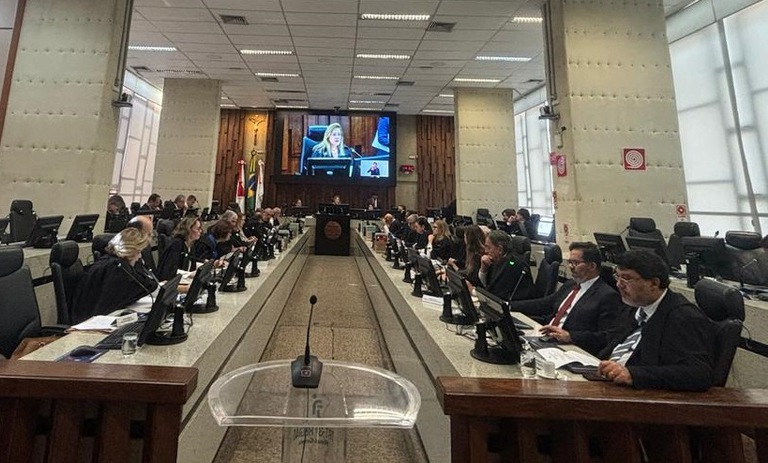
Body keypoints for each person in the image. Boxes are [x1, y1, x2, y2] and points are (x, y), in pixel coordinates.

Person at [597, 249, 715, 391]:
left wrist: (633, 374)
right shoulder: (635, 306)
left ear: (653, 283)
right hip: (607, 381)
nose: (619, 284)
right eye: (618, 277)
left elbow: (699, 374)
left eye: (627, 278)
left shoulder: (683, 316)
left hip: (643, 396)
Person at [513, 242, 623, 355]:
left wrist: (571, 336)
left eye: (575, 263)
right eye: (570, 262)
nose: (570, 267)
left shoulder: (607, 296)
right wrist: (509, 306)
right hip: (546, 338)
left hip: (571, 349)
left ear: (592, 266)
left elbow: (606, 337)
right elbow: (544, 304)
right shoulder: (570, 284)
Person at [71, 228, 159, 323]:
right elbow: (147, 286)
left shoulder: (111, 262)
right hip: (90, 323)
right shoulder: (117, 268)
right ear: (130, 250)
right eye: (138, 252)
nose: (140, 257)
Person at [478, 230, 534, 301]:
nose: (485, 251)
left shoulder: (513, 264)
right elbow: (486, 284)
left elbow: (496, 294)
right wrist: (483, 270)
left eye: (488, 247)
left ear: (500, 249)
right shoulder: (497, 259)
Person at [156, 216, 203, 281]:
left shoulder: (191, 245)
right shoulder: (177, 244)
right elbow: (170, 271)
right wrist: (189, 274)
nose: (201, 231)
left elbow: (190, 264)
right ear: (189, 229)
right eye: (198, 228)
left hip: (184, 280)